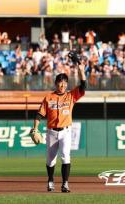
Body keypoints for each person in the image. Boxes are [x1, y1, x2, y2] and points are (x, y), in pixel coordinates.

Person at [31, 56, 86, 193]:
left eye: (65, 83)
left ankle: (65, 184)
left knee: (66, 156)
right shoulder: (49, 97)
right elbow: (39, 114)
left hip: (66, 132)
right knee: (50, 160)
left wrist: (81, 70)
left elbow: (83, 86)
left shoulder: (71, 95)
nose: (62, 85)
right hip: (51, 132)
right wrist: (35, 128)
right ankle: (50, 181)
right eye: (60, 83)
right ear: (56, 84)